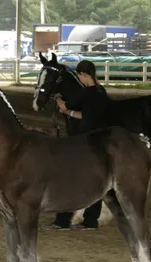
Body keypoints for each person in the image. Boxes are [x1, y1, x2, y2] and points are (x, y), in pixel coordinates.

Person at [43, 59, 109, 231]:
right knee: (95, 182)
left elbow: (65, 106)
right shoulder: (102, 92)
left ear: (83, 75)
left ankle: (62, 220)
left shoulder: (86, 93)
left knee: (68, 180)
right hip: (98, 142)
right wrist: (71, 113)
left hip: (82, 142)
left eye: (80, 76)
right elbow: (86, 116)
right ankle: (90, 221)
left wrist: (57, 98)